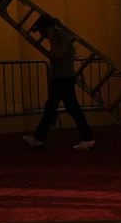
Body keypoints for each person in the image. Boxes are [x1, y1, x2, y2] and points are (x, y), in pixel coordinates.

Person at [22, 15, 96, 151]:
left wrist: (51, 39)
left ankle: (88, 139)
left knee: (65, 109)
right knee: (57, 109)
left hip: (63, 78)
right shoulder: (61, 35)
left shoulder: (61, 36)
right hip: (62, 78)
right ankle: (39, 138)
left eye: (42, 31)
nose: (41, 34)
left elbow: (59, 54)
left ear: (48, 29)